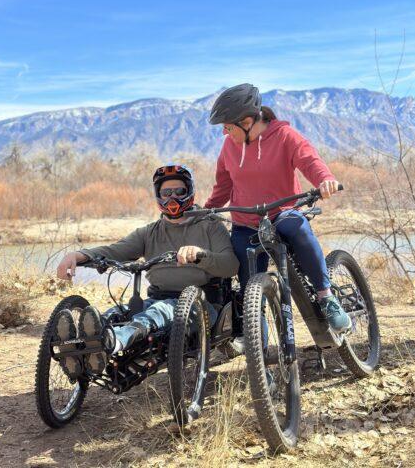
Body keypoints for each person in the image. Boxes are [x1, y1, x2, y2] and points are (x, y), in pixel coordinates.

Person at [54, 164, 239, 379]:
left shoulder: (210, 225)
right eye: (166, 193)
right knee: (120, 312)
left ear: (189, 192)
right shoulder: (150, 232)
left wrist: (200, 255)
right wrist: (77, 255)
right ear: (158, 196)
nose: (172, 198)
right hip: (157, 298)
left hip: (202, 305)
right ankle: (80, 346)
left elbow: (231, 265)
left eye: (179, 191)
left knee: (156, 313)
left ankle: (114, 341)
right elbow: (115, 250)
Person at [205, 83, 351, 346]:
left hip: (283, 212)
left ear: (247, 121)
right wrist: (206, 210)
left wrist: (325, 179)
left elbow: (309, 160)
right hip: (246, 221)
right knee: (249, 283)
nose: (225, 133)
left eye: (228, 126)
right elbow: (223, 186)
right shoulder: (229, 147)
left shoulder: (285, 135)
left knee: (298, 228)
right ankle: (256, 342)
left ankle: (326, 296)